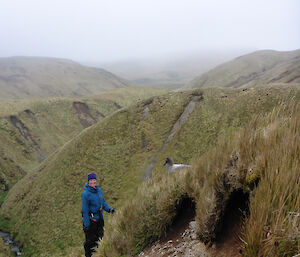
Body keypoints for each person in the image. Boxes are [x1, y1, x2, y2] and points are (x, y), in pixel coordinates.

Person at [81, 173, 114, 257]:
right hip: (91, 221)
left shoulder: (99, 190)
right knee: (90, 242)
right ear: (88, 182)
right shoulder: (85, 194)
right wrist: (87, 225)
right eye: (91, 180)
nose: (93, 182)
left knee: (100, 239)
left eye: (94, 180)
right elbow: (84, 211)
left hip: (100, 219)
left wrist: (109, 209)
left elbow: (103, 203)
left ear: (96, 180)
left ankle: (99, 254)